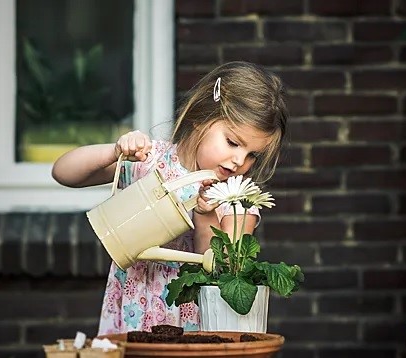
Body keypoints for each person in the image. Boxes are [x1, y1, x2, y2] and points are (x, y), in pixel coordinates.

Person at [52, 61, 288, 334]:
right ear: (201, 118)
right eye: (233, 143)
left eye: (252, 155)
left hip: (190, 322)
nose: (239, 161)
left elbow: (221, 276)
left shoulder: (237, 200)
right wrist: (114, 151)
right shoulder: (148, 161)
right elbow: (64, 173)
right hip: (133, 312)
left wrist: (205, 215)